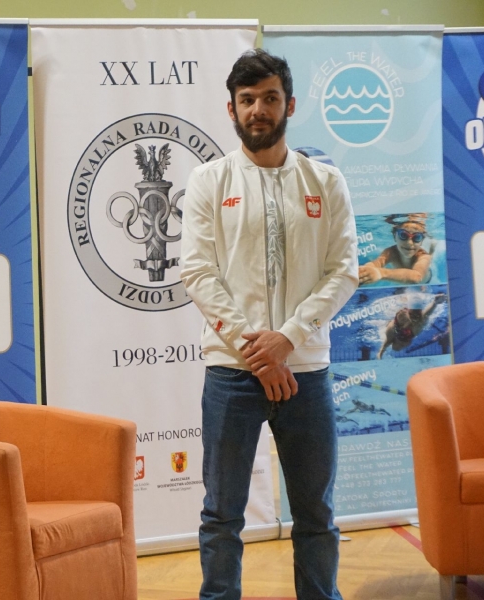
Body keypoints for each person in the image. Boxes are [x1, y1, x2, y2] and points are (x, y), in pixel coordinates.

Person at [180, 49, 358, 600]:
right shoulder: (208, 180)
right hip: (232, 374)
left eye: (270, 98)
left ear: (290, 105)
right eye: (248, 99)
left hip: (307, 371)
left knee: (316, 513)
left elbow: (344, 271)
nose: (259, 109)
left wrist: (288, 339)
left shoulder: (325, 182)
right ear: (231, 109)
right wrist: (258, 350)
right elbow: (198, 273)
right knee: (221, 515)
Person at [358, 214, 433, 285]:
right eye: (403, 235)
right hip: (405, 281)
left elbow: (417, 277)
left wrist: (380, 273)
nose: (409, 243)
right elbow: (376, 263)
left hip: (424, 281)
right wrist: (364, 270)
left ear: (422, 241)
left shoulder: (424, 256)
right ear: (394, 236)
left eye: (417, 237)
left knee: (429, 257)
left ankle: (432, 249)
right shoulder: (391, 252)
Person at [377, 294, 447, 358]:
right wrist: (435, 303)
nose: (404, 345)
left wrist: (381, 352)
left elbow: (387, 342)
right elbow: (387, 342)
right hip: (405, 326)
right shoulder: (412, 329)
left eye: (402, 345)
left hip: (404, 324)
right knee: (396, 348)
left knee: (396, 348)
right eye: (403, 345)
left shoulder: (392, 328)